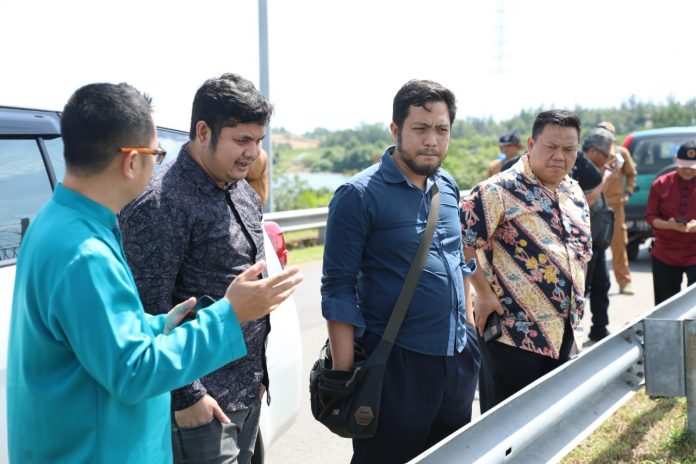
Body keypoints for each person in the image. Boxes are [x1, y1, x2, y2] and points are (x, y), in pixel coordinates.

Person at [6, 82, 302, 464]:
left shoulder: (58, 223)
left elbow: (109, 335)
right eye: (156, 154)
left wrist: (160, 325)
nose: (159, 166)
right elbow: (134, 371)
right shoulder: (85, 254)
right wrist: (229, 315)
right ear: (131, 161)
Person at [321, 79, 480, 464]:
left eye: (442, 129)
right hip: (396, 363)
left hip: (457, 357)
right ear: (396, 130)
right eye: (420, 128)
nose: (432, 140)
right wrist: (344, 373)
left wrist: (470, 332)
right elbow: (338, 288)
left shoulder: (447, 186)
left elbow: (458, 261)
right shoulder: (358, 195)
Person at [120, 73, 277, 464]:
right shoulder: (161, 203)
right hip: (199, 407)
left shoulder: (242, 191)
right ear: (204, 132)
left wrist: (259, 376)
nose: (253, 153)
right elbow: (146, 314)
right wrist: (187, 397)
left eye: (259, 141)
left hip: (246, 393)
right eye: (242, 140)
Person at [461, 109, 592, 411]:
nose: (560, 156)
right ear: (531, 144)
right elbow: (460, 242)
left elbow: (579, 251)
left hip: (564, 333)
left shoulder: (573, 191)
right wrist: (482, 292)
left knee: (551, 423)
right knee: (507, 428)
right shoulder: (497, 190)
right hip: (513, 336)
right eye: (551, 146)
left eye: (569, 149)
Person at [570, 127, 618, 342]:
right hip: (580, 244)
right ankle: (573, 338)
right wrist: (605, 178)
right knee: (580, 291)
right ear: (593, 151)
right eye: (606, 155)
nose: (608, 159)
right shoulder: (576, 166)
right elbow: (586, 200)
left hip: (597, 240)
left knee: (601, 286)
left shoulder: (592, 169)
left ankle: (600, 329)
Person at [645, 140, 696, 305]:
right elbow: (651, 217)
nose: (687, 170)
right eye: (684, 166)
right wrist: (670, 225)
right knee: (665, 307)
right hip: (665, 252)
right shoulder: (660, 184)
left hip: (694, 251)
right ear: (676, 161)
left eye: (692, 167)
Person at [598, 121, 637, 295]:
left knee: (619, 245)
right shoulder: (592, 153)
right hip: (594, 205)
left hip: (615, 206)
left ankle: (624, 282)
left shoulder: (621, 153)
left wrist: (628, 192)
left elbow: (631, 174)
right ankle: (588, 284)